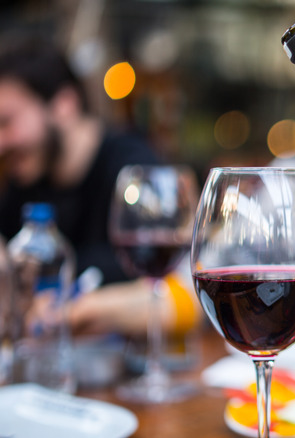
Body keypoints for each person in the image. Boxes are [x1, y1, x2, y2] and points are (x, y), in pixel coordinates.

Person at [0, 36, 199, 337]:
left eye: (7, 122)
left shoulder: (134, 168)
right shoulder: (23, 183)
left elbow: (181, 287)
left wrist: (80, 308)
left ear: (63, 105)